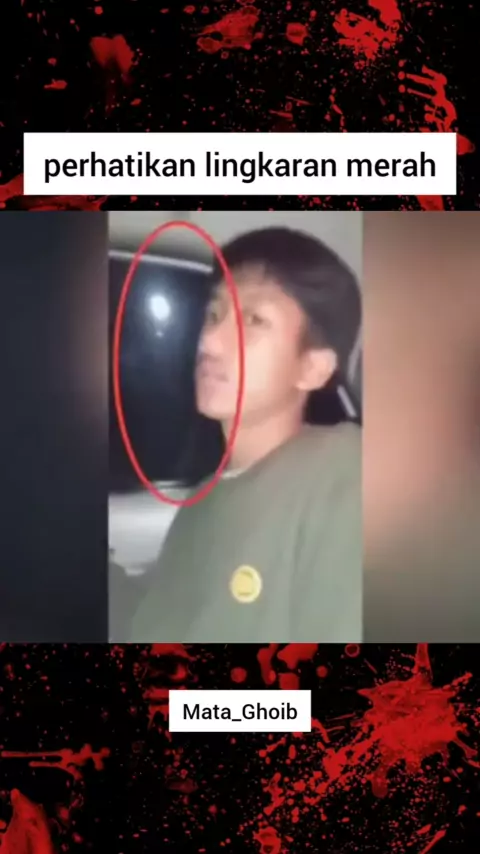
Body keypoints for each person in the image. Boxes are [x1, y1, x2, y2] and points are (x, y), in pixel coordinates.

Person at [129, 226, 362, 642]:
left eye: (253, 320)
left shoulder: (346, 475)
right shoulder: (199, 506)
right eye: (213, 315)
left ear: (313, 368)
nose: (208, 341)